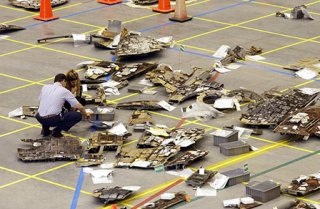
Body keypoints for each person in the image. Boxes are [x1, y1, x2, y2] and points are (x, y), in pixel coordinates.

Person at [36, 73, 91, 138]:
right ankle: (56, 131)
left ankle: (46, 130)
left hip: (39, 117)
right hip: (52, 119)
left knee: (48, 110)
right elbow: (79, 107)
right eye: (66, 82)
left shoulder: (45, 87)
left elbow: (41, 101)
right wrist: (85, 114)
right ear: (63, 81)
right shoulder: (64, 91)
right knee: (78, 115)